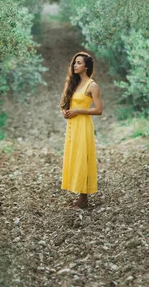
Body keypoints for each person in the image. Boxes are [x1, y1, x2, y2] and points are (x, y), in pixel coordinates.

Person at [60, 51, 102, 209]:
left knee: (82, 157)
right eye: (74, 62)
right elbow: (72, 105)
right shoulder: (75, 84)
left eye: (79, 63)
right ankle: (80, 196)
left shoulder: (92, 85)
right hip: (73, 125)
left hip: (83, 125)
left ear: (86, 67)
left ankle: (84, 199)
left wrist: (78, 111)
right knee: (74, 157)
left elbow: (98, 110)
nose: (75, 65)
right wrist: (68, 112)